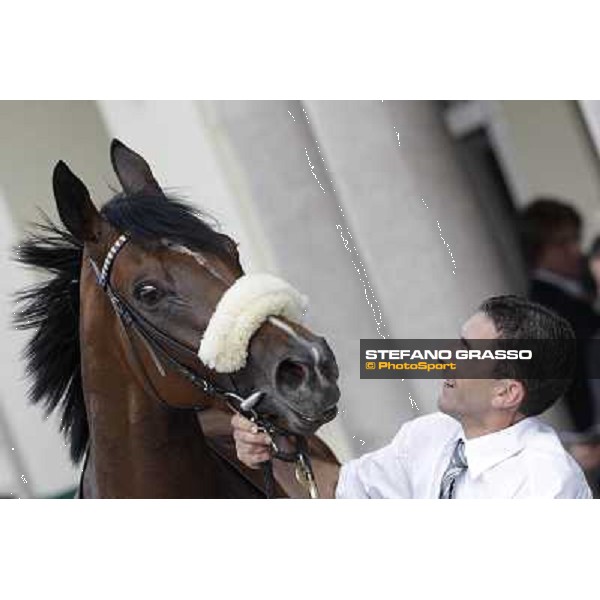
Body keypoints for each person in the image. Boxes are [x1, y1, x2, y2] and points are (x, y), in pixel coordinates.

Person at [231, 295, 592, 498]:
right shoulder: (430, 435)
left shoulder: (545, 482)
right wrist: (270, 446)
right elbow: (337, 490)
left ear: (506, 392)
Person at [519, 198, 600, 433]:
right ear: (540, 250)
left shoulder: (575, 291)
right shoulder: (548, 306)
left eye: (576, 239)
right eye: (563, 243)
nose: (575, 250)